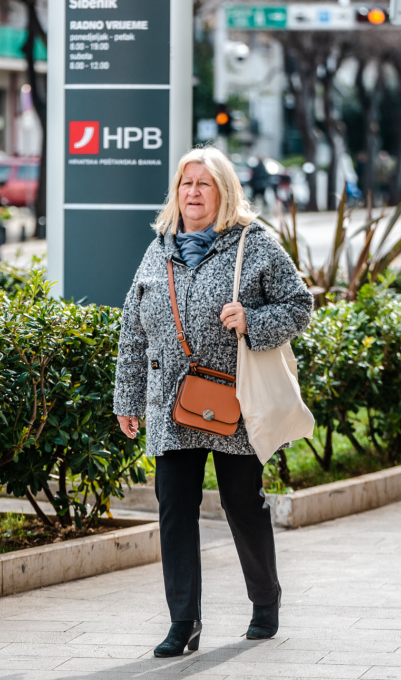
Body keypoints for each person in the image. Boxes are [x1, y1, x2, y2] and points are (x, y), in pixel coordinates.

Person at [113, 146, 313, 657]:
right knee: (175, 509)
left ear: (224, 191)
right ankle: (184, 623)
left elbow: (299, 304)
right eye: (186, 184)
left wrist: (253, 321)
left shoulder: (256, 244)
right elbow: (132, 330)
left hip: (234, 402)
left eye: (204, 184)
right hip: (169, 403)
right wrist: (127, 397)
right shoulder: (158, 248)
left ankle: (265, 602)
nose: (194, 193)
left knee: (241, 504)